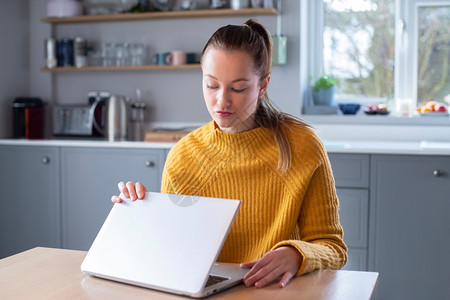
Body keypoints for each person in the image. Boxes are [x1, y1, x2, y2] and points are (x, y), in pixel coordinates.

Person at [112, 19, 347, 289]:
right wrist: (137, 214)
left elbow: (333, 247)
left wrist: (297, 254)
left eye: (238, 88)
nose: (222, 101)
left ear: (263, 86)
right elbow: (173, 253)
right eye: (212, 85)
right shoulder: (183, 155)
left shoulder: (303, 146)